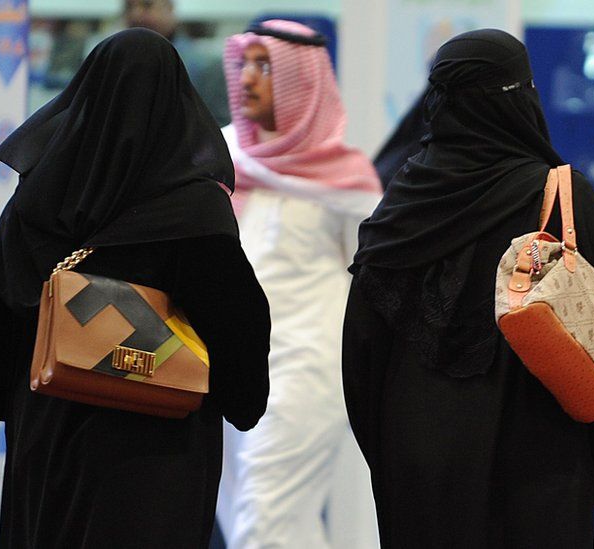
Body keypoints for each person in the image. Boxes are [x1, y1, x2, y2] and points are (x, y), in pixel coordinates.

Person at [344, 29, 594, 548]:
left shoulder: (401, 207)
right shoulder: (560, 196)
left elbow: (360, 349)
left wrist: (394, 456)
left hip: (421, 468)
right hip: (540, 467)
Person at [0, 29, 270, 548]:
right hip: (154, 447)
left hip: (47, 434)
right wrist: (239, 402)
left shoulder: (40, 194)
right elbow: (239, 331)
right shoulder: (192, 213)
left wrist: (17, 400)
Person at [215, 19, 383, 549]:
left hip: (305, 370)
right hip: (221, 367)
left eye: (265, 66)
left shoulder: (346, 180)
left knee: (265, 524)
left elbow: (373, 284)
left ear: (301, 80)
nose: (247, 78)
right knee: (273, 523)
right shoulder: (219, 158)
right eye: (245, 62)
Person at [124, 0, 231, 125]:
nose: (136, 14)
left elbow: (216, 127)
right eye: (129, 7)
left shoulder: (205, 66)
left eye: (147, 5)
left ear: (169, 8)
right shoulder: (116, 64)